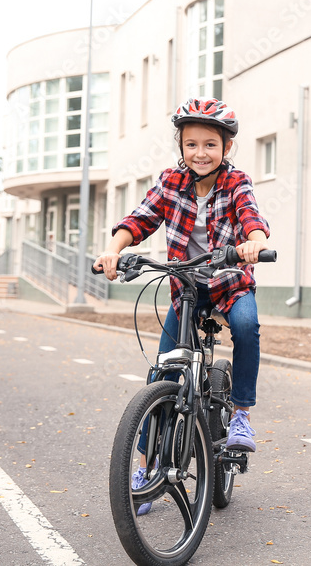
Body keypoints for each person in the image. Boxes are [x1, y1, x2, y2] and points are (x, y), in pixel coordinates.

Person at [94, 96, 270, 513]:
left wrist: (256, 243)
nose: (200, 153)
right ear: (181, 146)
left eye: (210, 144)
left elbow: (250, 217)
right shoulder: (171, 180)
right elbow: (140, 218)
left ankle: (242, 414)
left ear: (226, 148)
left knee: (246, 326)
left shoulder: (236, 181)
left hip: (229, 283)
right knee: (163, 370)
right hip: (186, 287)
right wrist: (114, 250)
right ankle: (145, 467)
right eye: (192, 144)